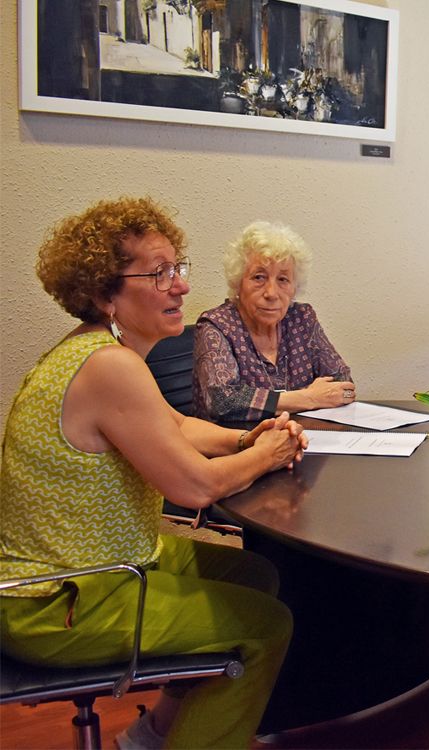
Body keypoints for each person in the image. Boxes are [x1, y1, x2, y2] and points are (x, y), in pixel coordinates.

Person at [0, 197, 305, 749]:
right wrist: (272, 453)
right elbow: (194, 486)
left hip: (96, 568)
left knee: (255, 575)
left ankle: (155, 733)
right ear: (101, 293)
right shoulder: (110, 367)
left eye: (178, 269)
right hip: (58, 603)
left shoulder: (102, 352)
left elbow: (179, 427)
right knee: (267, 625)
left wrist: (247, 438)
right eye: (158, 273)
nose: (181, 287)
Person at [193, 221, 354, 422]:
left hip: (304, 443)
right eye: (259, 277)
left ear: (294, 287)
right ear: (238, 283)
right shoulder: (216, 326)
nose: (271, 293)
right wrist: (309, 397)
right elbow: (224, 402)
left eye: (283, 280)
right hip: (238, 448)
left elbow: (346, 387)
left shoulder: (302, 319)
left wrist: (340, 395)